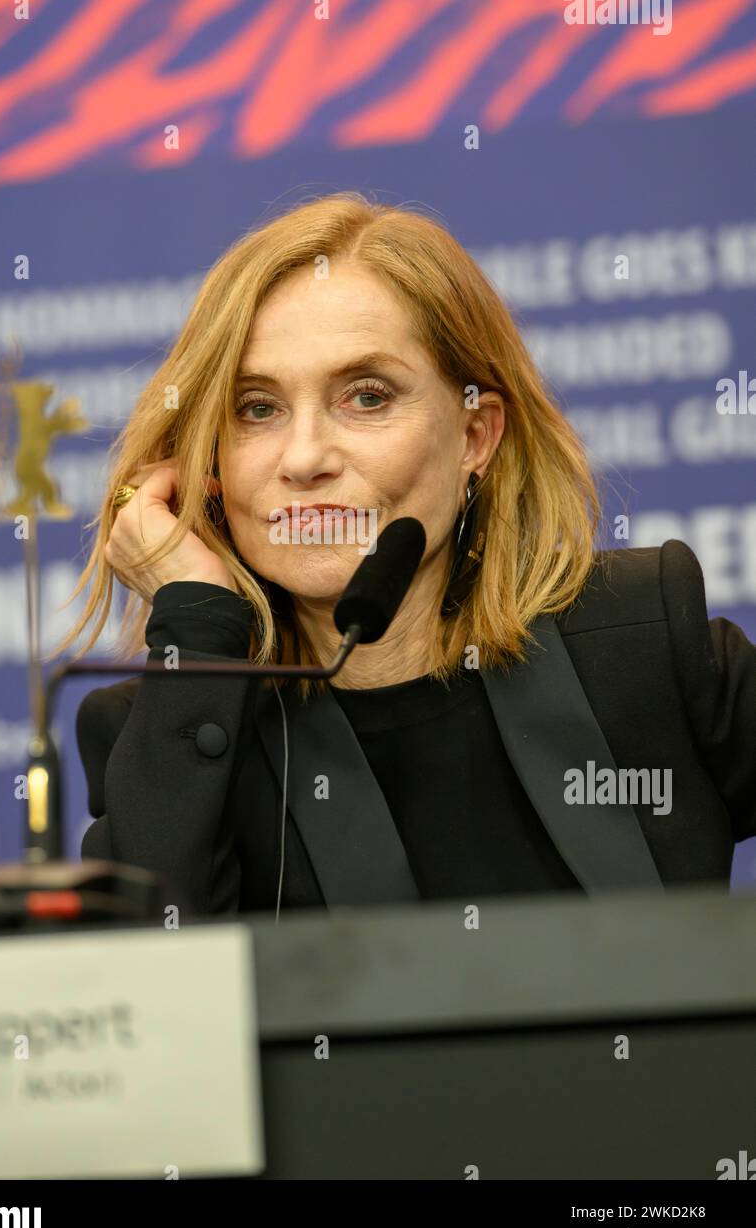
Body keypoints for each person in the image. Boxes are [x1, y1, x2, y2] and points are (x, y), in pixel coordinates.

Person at [56, 191, 756, 920]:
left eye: (366, 397)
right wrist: (198, 626)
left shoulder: (646, 643)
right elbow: (145, 1007)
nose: (304, 458)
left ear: (475, 437)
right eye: (257, 409)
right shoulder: (178, 725)